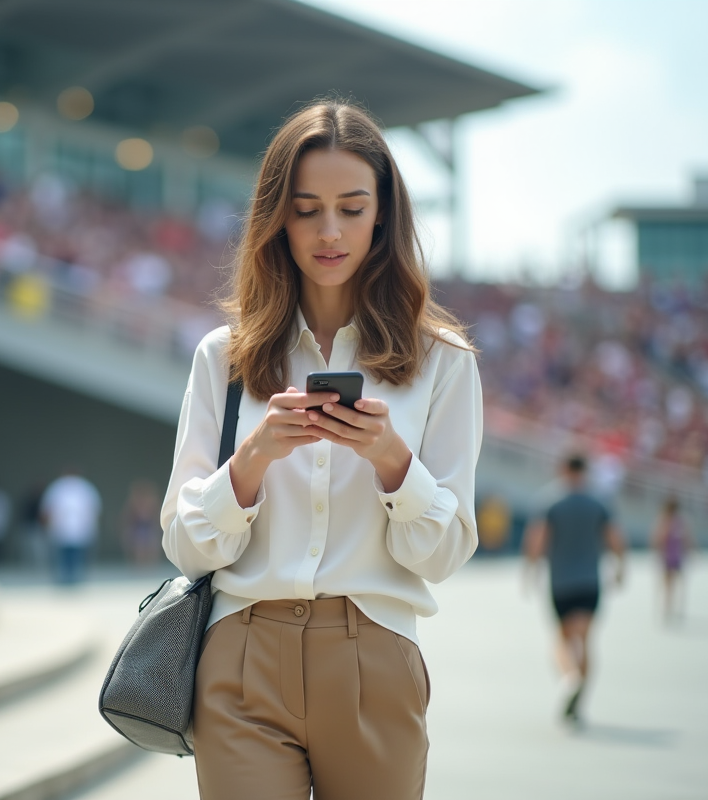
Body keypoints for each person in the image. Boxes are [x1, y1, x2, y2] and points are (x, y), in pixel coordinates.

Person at [161, 101, 482, 800]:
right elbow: (185, 546)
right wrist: (251, 461)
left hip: (375, 658)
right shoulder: (224, 358)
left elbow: (445, 552)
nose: (329, 231)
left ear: (383, 215)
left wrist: (396, 464)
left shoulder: (444, 363)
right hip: (241, 657)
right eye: (306, 209)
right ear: (276, 217)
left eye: (351, 207)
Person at [524, 454, 626, 725]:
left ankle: (570, 679)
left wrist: (530, 571)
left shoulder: (551, 501)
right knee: (586, 639)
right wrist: (620, 567)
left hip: (561, 582)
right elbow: (615, 537)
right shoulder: (599, 501)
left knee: (561, 638)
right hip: (590, 581)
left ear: (563, 469)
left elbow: (537, 539)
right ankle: (580, 691)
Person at [41, 468, 102, 585]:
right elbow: (48, 509)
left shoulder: (84, 487)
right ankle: (66, 579)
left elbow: (94, 509)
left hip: (79, 529)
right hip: (62, 529)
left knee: (76, 555)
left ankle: (75, 579)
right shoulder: (58, 487)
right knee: (64, 555)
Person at [650, 495, 695, 623]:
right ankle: (667, 609)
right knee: (668, 584)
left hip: (675, 555)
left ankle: (673, 609)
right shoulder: (665, 520)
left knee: (675, 583)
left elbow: (687, 538)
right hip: (669, 556)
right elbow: (657, 539)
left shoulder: (679, 521)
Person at [120, 479, 162, 567]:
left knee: (152, 545)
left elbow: (156, 514)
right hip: (138, 526)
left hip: (149, 526)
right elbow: (128, 515)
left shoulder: (152, 501)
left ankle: (150, 565)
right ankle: (140, 566)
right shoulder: (134, 501)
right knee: (139, 546)